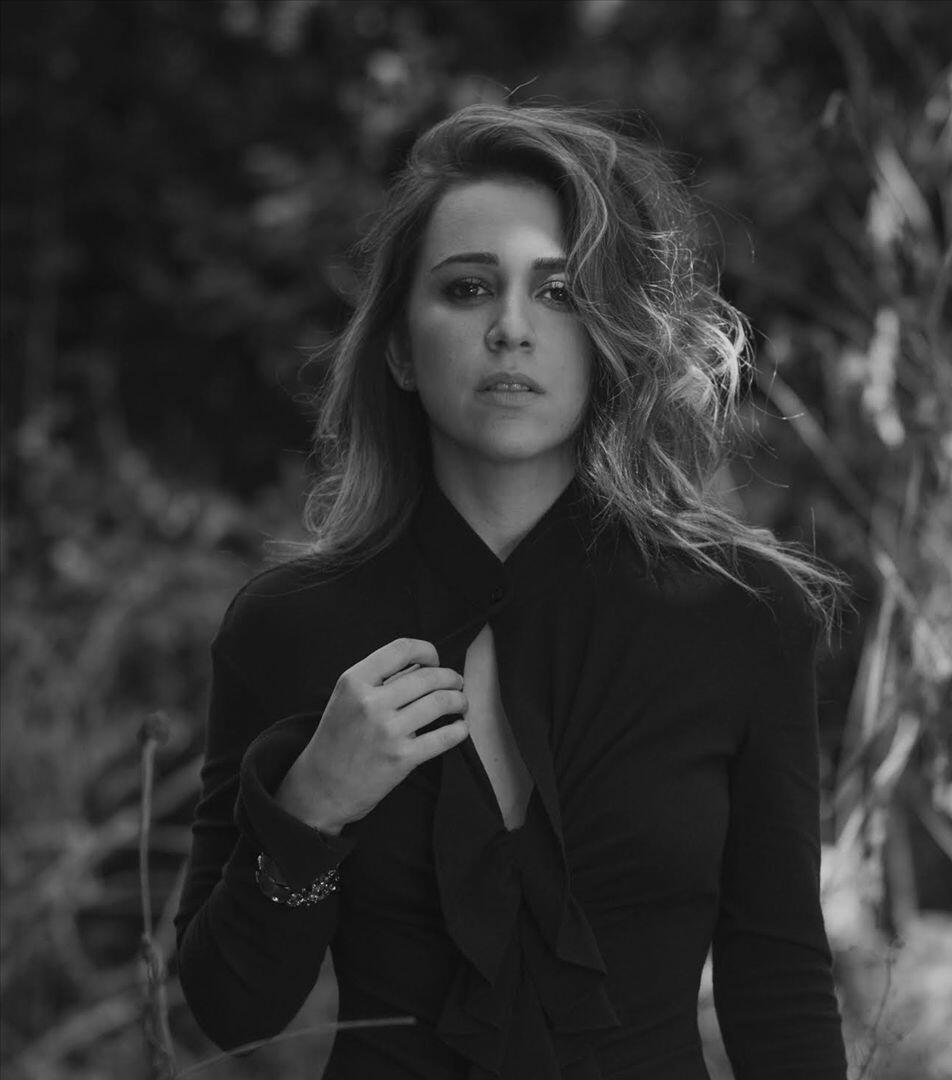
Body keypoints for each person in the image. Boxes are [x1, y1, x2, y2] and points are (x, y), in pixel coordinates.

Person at [175, 102, 849, 1080]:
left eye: (562, 291)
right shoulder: (290, 626)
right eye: (467, 288)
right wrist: (311, 806)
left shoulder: (738, 616)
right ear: (399, 348)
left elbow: (779, 983)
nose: (511, 329)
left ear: (614, 337)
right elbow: (230, 1009)